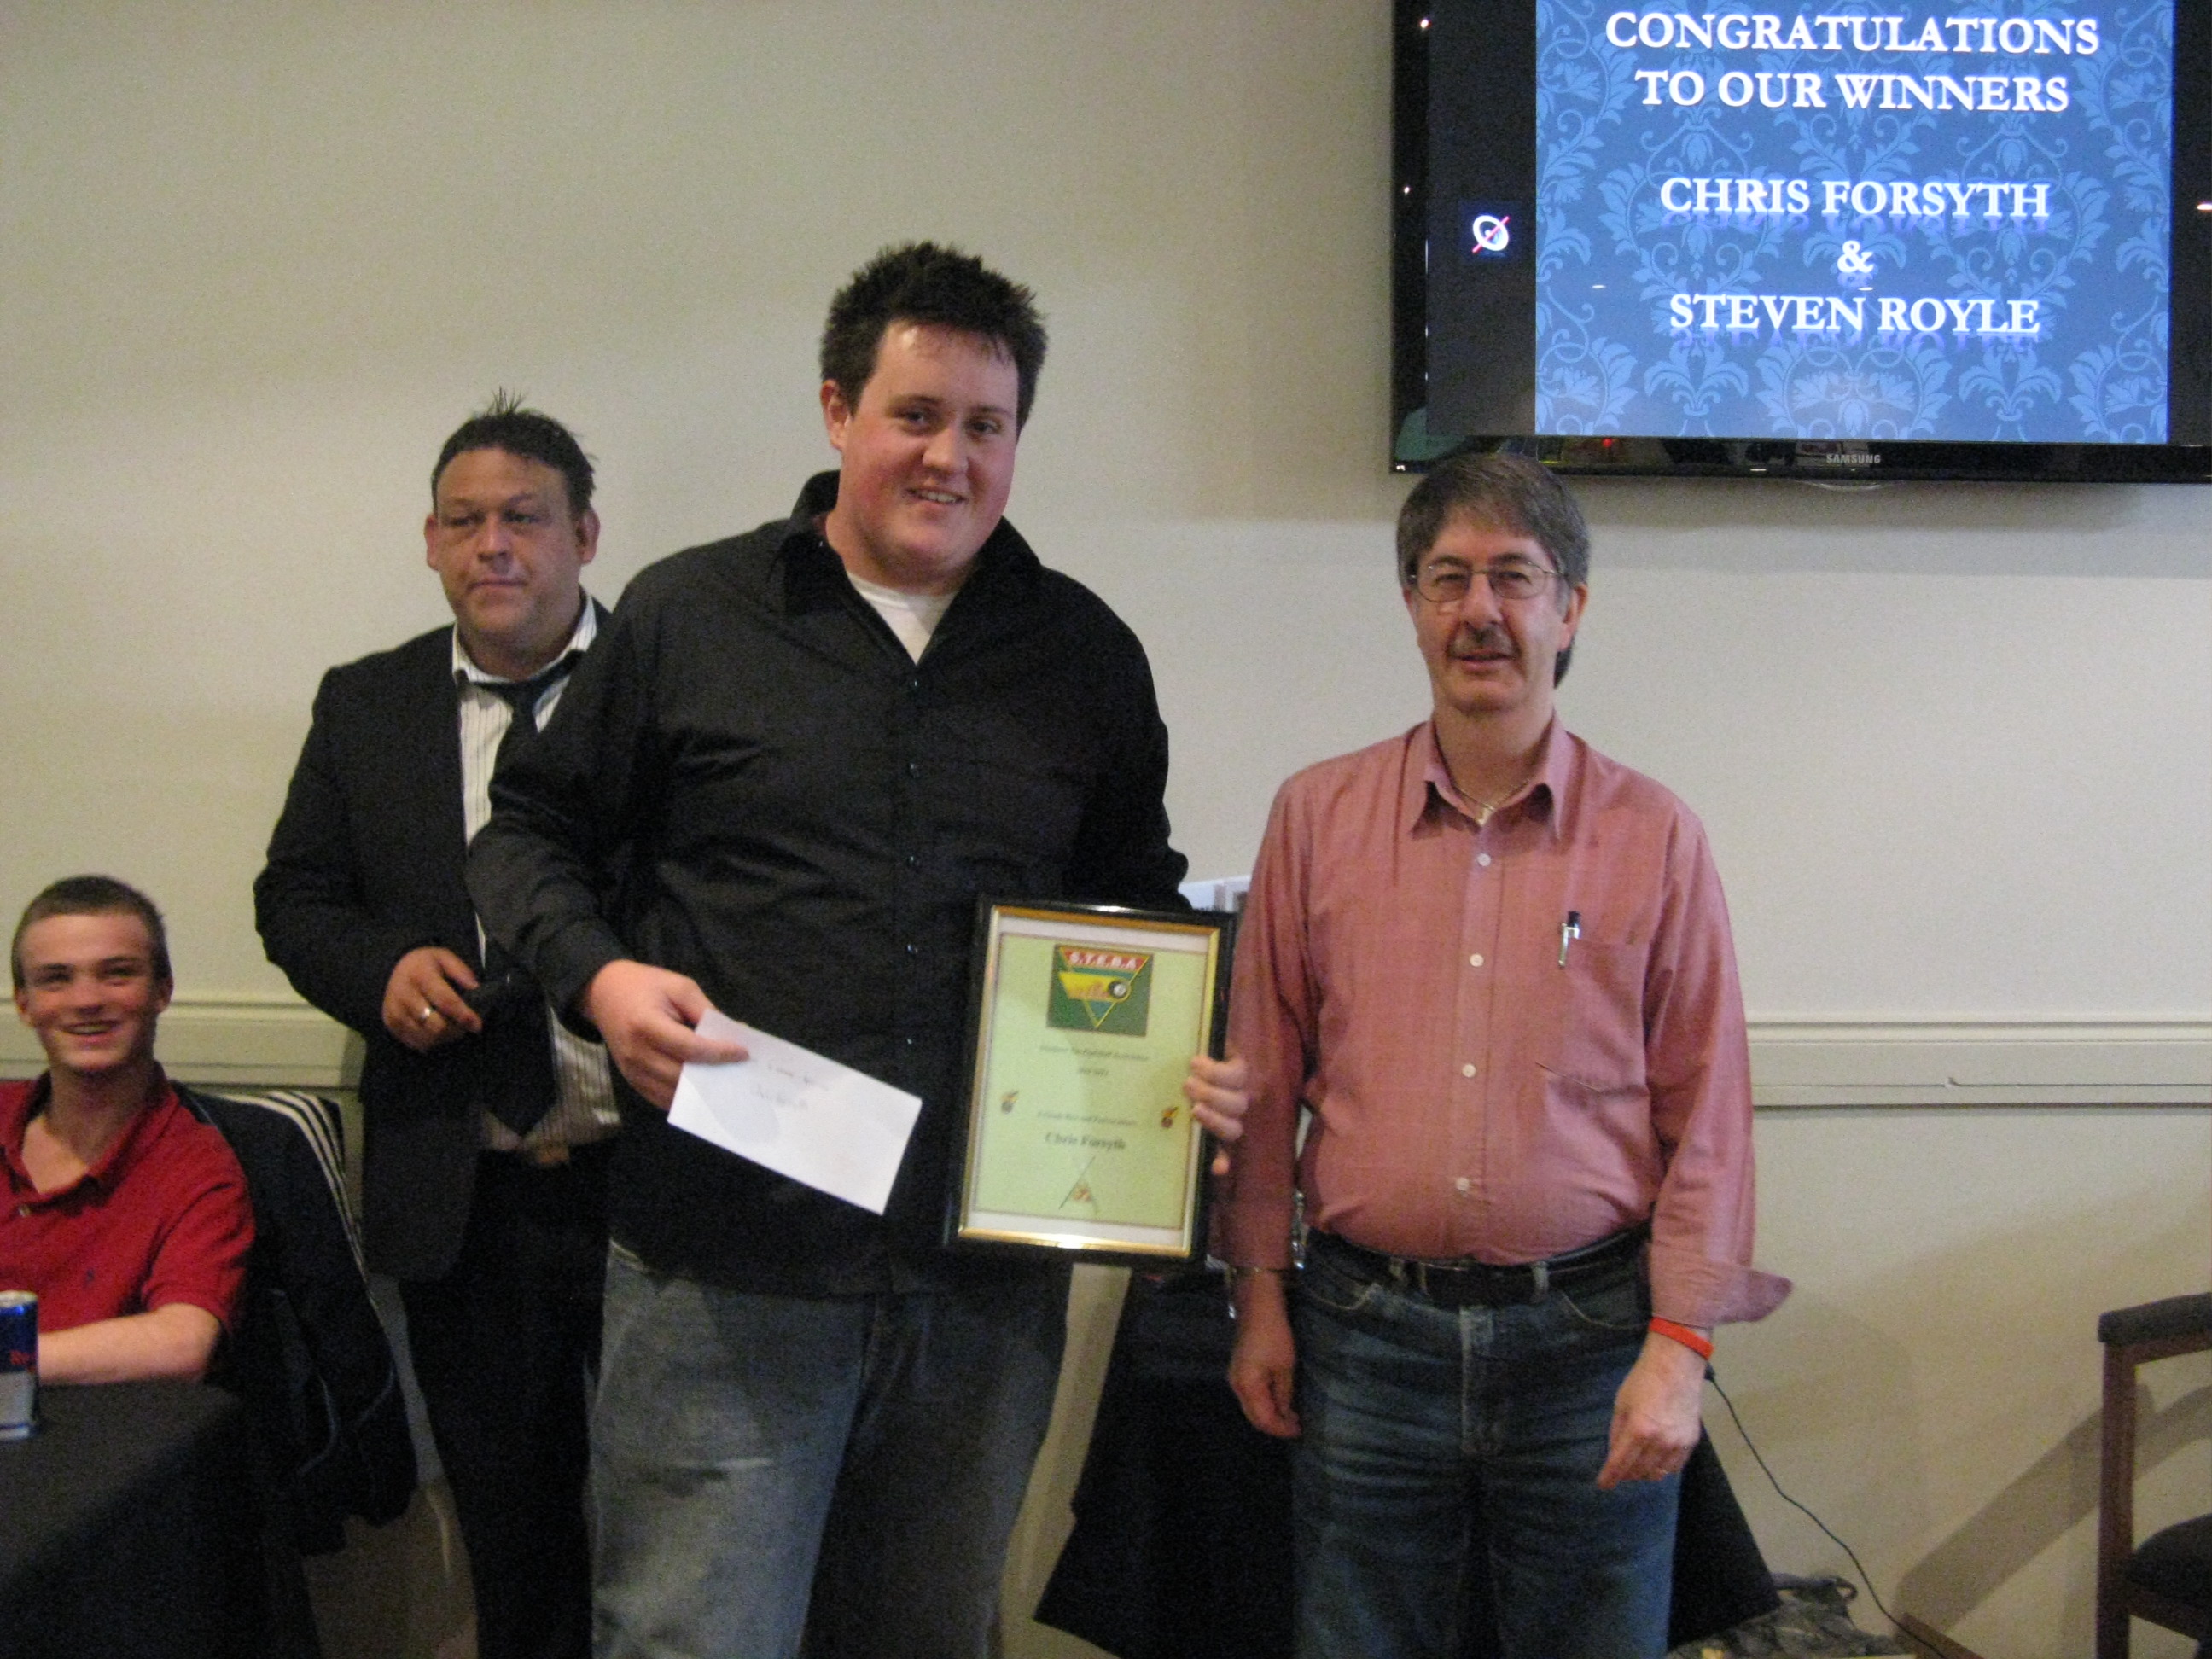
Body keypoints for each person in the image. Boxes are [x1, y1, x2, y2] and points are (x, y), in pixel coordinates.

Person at [467, 242, 1246, 1659]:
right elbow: (525, 835)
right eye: (916, 415)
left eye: (987, 425)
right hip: (724, 1264)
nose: (951, 456)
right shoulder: (690, 617)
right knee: (692, 1640)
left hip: (979, 1283)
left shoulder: (1083, 654)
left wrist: (1185, 1073)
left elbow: (1129, 905)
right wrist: (602, 977)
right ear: (837, 411)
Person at [1218, 451, 1790, 1659]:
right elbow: (1261, 1081)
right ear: (1412, 604)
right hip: (1365, 1338)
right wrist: (1258, 1296)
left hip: (1590, 1343)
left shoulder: (1656, 836)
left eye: (1515, 578)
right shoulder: (1315, 818)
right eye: (1449, 578)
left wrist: (1681, 1349)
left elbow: (1709, 1115)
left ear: (1569, 608)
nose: (1480, 610)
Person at [253, 398, 614, 1659]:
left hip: (656, 1186)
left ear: (585, 535)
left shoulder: (668, 690)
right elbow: (296, 898)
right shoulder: (368, 703)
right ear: (429, 542)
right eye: (463, 522)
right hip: (467, 1198)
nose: (491, 545)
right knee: (515, 1545)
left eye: (524, 518)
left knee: (684, 1531)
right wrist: (381, 971)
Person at [1, 876, 253, 1383]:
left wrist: (11, 1361)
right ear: (24, 1004)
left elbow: (182, 1344)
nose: (86, 1000)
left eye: (117, 974)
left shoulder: (199, 1166)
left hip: (93, 1427)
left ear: (163, 990)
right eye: (56, 979)